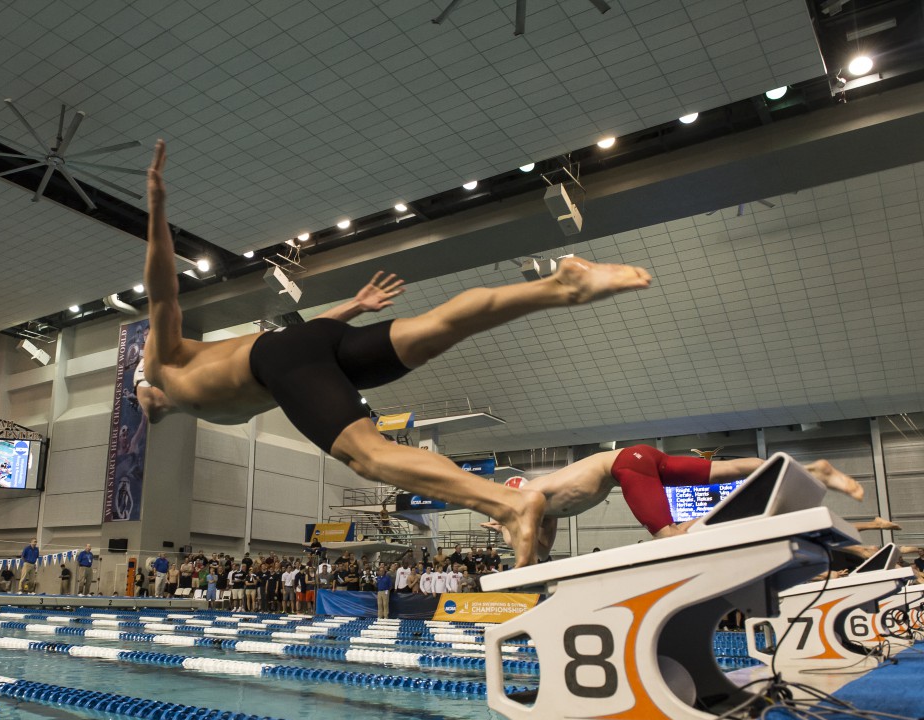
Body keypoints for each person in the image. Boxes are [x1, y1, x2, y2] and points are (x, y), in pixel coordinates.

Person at [134, 141, 652, 565]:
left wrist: (157, 209)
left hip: (281, 361)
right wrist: (353, 308)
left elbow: (163, 291)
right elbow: (293, 346)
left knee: (370, 456)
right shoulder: (181, 398)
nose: (146, 402)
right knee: (436, 328)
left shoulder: (166, 362)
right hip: (313, 344)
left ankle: (510, 504)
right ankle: (559, 285)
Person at [481, 445, 865, 567]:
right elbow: (543, 551)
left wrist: (509, 534)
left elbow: (527, 554)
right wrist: (506, 531)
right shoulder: (544, 506)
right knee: (726, 470)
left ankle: (733, 515)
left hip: (625, 466)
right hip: (638, 455)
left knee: (671, 537)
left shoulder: (529, 499)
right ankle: (813, 469)